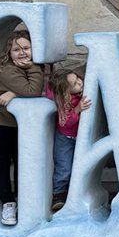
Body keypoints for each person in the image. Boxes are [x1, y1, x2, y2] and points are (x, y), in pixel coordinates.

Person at [0, 30, 46, 225]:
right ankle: (8, 204)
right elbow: (32, 91)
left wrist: (14, 93)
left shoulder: (26, 69)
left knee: (21, 160)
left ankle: (23, 201)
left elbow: (34, 89)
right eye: (16, 49)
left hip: (15, 122)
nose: (22, 53)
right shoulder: (8, 70)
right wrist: (33, 70)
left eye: (26, 48)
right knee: (2, 161)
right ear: (9, 53)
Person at [45, 68, 91, 211]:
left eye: (78, 79)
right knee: (64, 168)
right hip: (64, 138)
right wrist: (77, 109)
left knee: (80, 166)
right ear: (65, 91)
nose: (80, 83)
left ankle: (76, 193)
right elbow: (65, 122)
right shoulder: (63, 100)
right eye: (75, 84)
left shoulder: (81, 90)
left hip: (79, 137)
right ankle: (58, 195)